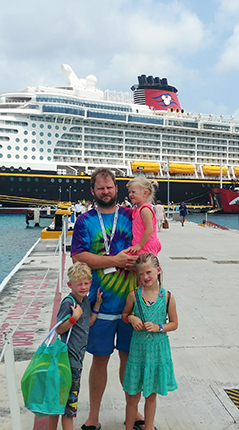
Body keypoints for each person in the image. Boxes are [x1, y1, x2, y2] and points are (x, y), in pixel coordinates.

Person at [71, 167, 142, 430]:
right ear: (93, 191)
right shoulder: (85, 221)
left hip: (130, 304)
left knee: (129, 360)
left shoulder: (130, 216)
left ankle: (133, 414)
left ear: (116, 188)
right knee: (99, 361)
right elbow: (78, 256)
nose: (106, 191)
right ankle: (93, 417)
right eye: (100, 188)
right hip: (98, 304)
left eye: (109, 187)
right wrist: (114, 261)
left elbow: (146, 244)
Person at [121, 253, 178, 430]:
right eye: (141, 274)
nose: (145, 277)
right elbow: (124, 315)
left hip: (157, 351)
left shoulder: (167, 297)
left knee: (151, 396)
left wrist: (159, 327)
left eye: (149, 272)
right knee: (132, 396)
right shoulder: (134, 295)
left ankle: (149, 426)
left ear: (158, 270)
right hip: (138, 351)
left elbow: (174, 324)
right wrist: (131, 319)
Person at [48, 262, 102, 430]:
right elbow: (58, 329)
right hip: (67, 362)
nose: (83, 287)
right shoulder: (69, 303)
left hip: (76, 362)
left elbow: (89, 323)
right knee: (68, 407)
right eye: (79, 284)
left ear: (90, 283)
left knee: (61, 403)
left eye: (86, 283)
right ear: (70, 285)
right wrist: (73, 318)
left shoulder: (85, 301)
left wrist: (97, 304)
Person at [126, 176, 162, 256]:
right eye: (129, 192)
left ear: (145, 193)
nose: (130, 194)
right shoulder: (137, 209)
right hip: (140, 245)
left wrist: (139, 245)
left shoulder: (145, 210)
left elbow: (149, 229)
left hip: (145, 246)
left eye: (133, 192)